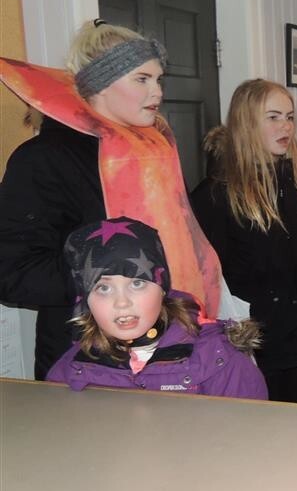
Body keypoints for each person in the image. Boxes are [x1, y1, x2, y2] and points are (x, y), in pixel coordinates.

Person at [0, 19, 221, 380]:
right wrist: (110, 279)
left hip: (170, 345)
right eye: (142, 79)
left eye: (159, 79)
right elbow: (13, 272)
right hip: (87, 359)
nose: (157, 92)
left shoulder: (155, 150)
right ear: (101, 84)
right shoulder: (44, 158)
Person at [191, 79, 297, 403]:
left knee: (295, 421)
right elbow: (205, 280)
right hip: (254, 347)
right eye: (273, 117)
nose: (286, 126)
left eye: (290, 117)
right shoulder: (217, 197)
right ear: (247, 123)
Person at [46, 217, 267, 399]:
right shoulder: (74, 369)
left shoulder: (219, 362)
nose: (122, 302)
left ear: (162, 288)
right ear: (85, 300)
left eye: (137, 283)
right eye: (103, 288)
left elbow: (247, 432)